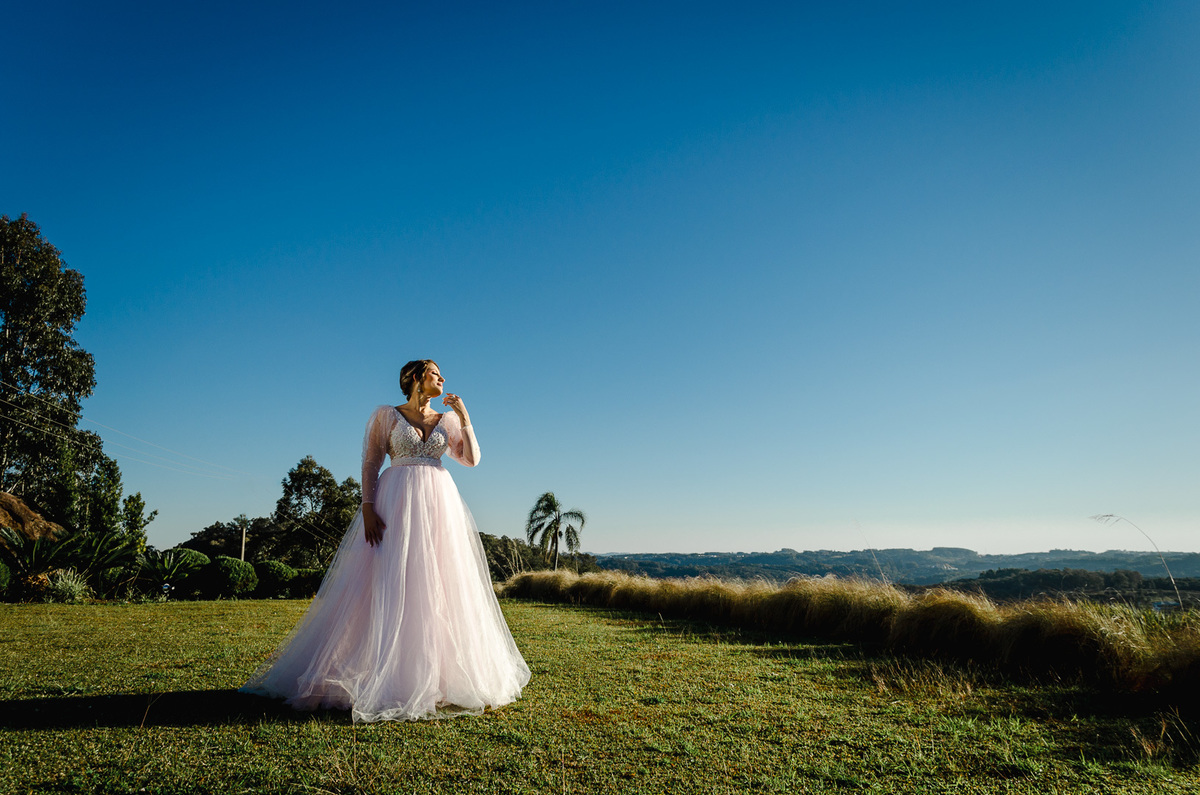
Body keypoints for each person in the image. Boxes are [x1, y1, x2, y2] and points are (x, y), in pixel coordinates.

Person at [240, 360, 531, 722]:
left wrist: (465, 416)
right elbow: (370, 462)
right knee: (387, 581)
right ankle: (375, 672)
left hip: (440, 508)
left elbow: (471, 460)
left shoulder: (448, 420)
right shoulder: (386, 416)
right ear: (414, 378)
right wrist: (367, 506)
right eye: (435, 373)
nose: (442, 378)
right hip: (395, 504)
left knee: (437, 584)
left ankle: (433, 677)